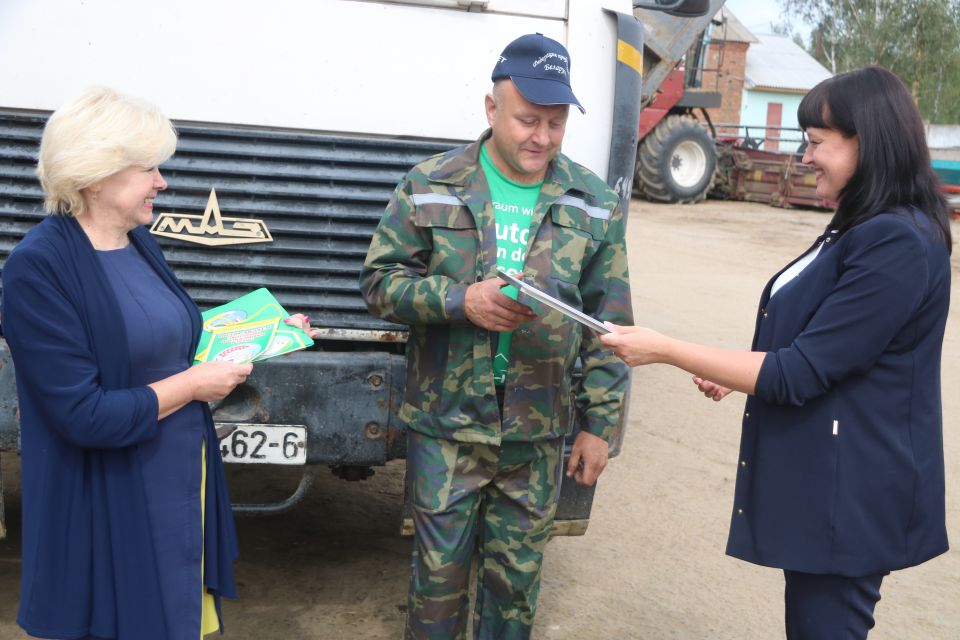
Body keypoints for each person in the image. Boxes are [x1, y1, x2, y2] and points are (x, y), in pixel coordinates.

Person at [601, 66, 952, 639]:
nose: (803, 156)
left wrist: (667, 350)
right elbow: (816, 337)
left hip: (853, 496)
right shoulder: (859, 225)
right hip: (830, 485)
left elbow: (799, 371)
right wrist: (738, 371)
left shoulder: (897, 241)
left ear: (870, 142)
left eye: (816, 142)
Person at [0, 87, 317, 640]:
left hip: (177, 486)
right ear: (96, 175)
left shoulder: (137, 240)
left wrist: (262, 333)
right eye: (148, 167)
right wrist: (195, 385)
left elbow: (167, 341)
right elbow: (84, 415)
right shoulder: (37, 269)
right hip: (108, 503)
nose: (162, 181)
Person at [359, 33, 632, 640]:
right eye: (528, 120)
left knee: (515, 593)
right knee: (435, 592)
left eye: (556, 124)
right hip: (447, 426)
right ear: (491, 109)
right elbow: (379, 283)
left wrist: (600, 424)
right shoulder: (431, 182)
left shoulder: (592, 201)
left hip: (538, 434)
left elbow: (610, 325)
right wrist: (462, 301)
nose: (541, 137)